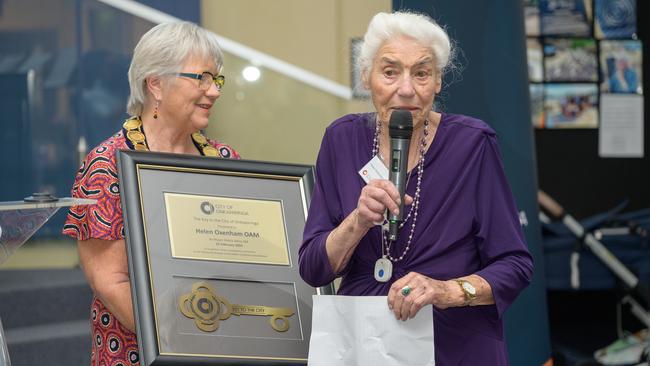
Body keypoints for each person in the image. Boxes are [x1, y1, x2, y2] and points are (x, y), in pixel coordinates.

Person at [299, 11, 533, 365]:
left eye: (421, 73)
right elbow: (312, 268)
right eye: (390, 71)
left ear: (438, 81)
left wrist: (446, 290)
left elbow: (514, 265)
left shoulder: (472, 144)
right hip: (363, 345)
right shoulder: (341, 139)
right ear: (366, 77)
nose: (406, 89)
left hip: (455, 346)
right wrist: (358, 221)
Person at [62, 22, 240, 366]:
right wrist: (180, 342)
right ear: (156, 84)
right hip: (139, 354)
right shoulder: (107, 165)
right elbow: (110, 281)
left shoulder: (226, 161)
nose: (214, 91)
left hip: (222, 346)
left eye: (216, 80)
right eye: (201, 78)